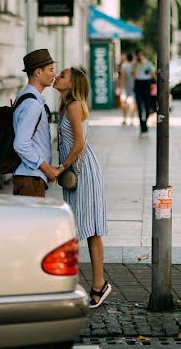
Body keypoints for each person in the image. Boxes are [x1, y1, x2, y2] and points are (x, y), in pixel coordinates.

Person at [53, 66, 111, 308]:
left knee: (89, 229)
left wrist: (60, 168)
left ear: (73, 83)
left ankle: (99, 285)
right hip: (77, 171)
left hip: (83, 170)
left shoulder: (75, 106)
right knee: (80, 227)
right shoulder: (67, 106)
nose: (57, 76)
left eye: (63, 75)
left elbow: (78, 144)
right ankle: (81, 284)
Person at [13, 48, 62, 197]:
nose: (54, 74)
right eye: (51, 70)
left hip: (31, 177)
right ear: (38, 72)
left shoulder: (28, 97)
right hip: (30, 178)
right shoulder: (32, 104)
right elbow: (21, 144)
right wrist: (46, 169)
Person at [133, 50, 156, 134]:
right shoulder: (135, 64)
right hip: (138, 84)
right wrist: (138, 65)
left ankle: (145, 122)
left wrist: (151, 77)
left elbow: (153, 74)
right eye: (138, 55)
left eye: (141, 55)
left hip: (146, 84)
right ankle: (141, 125)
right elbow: (134, 74)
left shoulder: (148, 64)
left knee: (147, 106)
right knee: (139, 107)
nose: (140, 57)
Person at [119, 53, 136, 125]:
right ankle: (132, 119)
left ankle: (124, 119)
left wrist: (121, 87)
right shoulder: (134, 66)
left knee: (123, 103)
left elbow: (122, 77)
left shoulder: (124, 66)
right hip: (133, 87)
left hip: (125, 88)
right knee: (132, 104)